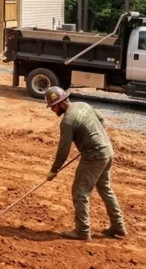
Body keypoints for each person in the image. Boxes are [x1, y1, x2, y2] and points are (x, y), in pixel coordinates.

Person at [44, 86, 126, 241]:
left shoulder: (67, 121)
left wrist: (54, 170)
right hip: (107, 151)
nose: (52, 110)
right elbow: (101, 121)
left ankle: (82, 230)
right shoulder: (83, 105)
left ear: (61, 103)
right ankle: (118, 226)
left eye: (53, 106)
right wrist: (91, 139)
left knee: (80, 191)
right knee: (105, 188)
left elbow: (64, 149)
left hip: (94, 156)